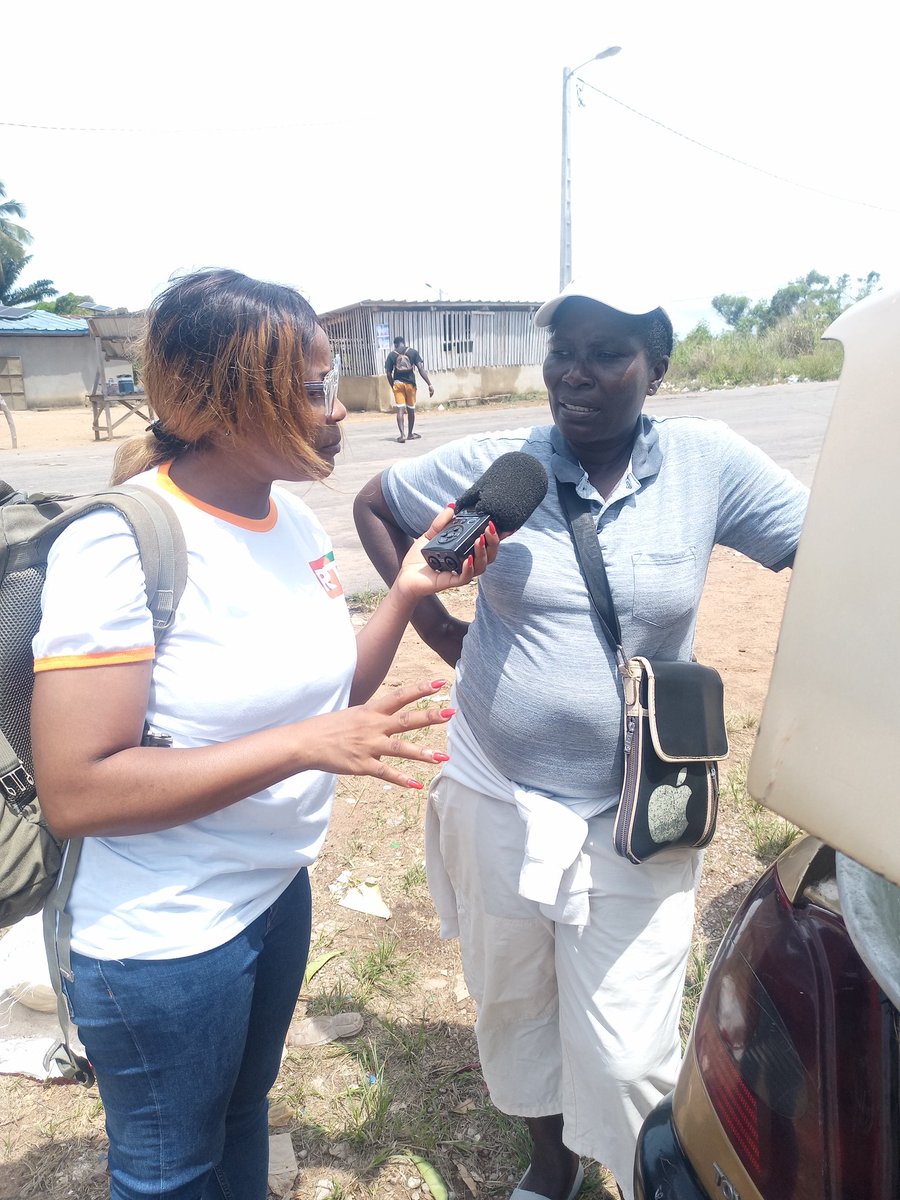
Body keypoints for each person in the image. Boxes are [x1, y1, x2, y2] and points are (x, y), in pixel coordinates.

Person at [31, 268, 497, 1200]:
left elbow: (324, 696)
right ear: (232, 397)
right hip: (165, 941)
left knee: (245, 1119)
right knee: (171, 1172)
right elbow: (77, 790)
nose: (338, 412)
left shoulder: (282, 514)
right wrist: (303, 748)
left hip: (272, 898)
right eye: (315, 389)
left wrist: (406, 589)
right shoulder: (120, 545)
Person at [352, 279, 808, 1200]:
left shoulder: (705, 463)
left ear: (657, 368)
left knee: (629, 1039)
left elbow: (816, 543)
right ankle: (550, 1167)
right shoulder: (504, 462)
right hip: (497, 788)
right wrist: (444, 634)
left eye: (608, 353)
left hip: (637, 800)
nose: (577, 373)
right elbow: (376, 503)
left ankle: (645, 1172)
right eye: (564, 349)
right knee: (516, 1000)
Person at [385, 334, 434, 442]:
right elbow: (421, 368)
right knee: (411, 410)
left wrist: (393, 385)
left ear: (395, 344)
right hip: (410, 384)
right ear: (404, 343)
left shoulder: (391, 355)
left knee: (400, 410)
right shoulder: (413, 352)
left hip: (398, 384)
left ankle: (402, 435)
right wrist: (429, 384)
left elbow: (388, 373)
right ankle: (410, 434)